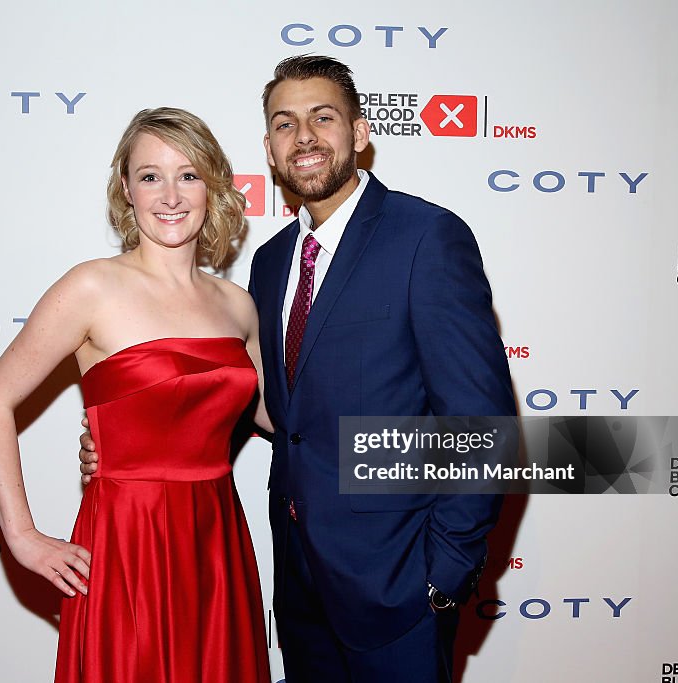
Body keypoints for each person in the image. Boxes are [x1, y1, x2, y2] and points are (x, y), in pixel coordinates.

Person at [80, 56, 516, 682]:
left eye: (322, 117)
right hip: (300, 591)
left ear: (361, 133)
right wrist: (131, 435)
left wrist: (441, 575)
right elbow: (267, 407)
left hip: (398, 588)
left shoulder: (427, 238)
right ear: (269, 148)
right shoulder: (272, 261)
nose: (304, 136)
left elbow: (483, 424)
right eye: (285, 124)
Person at [0, 107, 271, 683]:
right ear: (126, 190)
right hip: (127, 539)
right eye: (150, 175)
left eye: (188, 175)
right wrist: (22, 537)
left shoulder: (237, 305)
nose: (170, 195)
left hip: (217, 539)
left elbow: (275, 416)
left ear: (212, 186)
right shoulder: (91, 286)